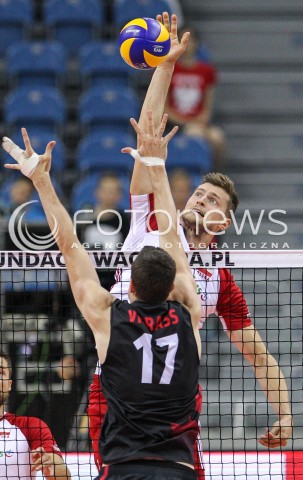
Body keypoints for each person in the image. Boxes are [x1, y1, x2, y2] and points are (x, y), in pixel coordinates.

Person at [88, 12, 293, 480]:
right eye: (200, 192)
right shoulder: (151, 222)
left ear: (224, 220)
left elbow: (259, 354)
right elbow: (148, 139)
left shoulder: (220, 280)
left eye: (213, 198)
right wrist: (164, 65)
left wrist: (285, 412)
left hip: (176, 403)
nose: (201, 196)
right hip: (115, 385)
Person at [2, 113, 203, 480]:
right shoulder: (189, 314)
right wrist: (157, 166)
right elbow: (175, 239)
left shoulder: (110, 318)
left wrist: (42, 181)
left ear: (129, 286)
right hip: (179, 469)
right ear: (175, 284)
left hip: (123, 468)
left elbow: (70, 246)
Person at [0, 344, 71, 480]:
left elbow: (63, 474)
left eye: (0, 373)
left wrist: (52, 469)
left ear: (9, 385)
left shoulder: (31, 426)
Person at [165, 24, 225, 168]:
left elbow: (207, 105)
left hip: (199, 122)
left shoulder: (206, 71)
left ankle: (215, 176)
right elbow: (164, 107)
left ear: (197, 43)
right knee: (194, 134)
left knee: (218, 137)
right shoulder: (169, 68)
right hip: (175, 123)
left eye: (190, 39)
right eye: (182, 39)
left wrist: (200, 120)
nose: (187, 43)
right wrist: (184, 122)